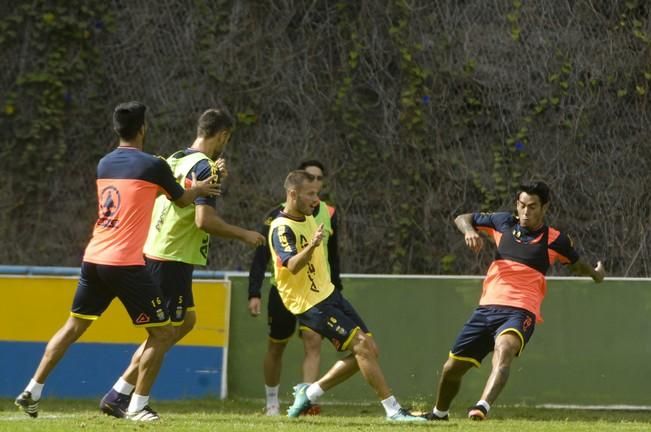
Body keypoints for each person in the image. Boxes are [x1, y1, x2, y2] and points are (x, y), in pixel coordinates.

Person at [14, 101, 220, 421]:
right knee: (163, 333)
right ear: (143, 129)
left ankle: (32, 389)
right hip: (124, 263)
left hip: (94, 257)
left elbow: (137, 197)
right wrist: (202, 188)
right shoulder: (153, 165)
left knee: (73, 326)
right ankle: (138, 406)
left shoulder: (105, 163)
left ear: (116, 130)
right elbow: (181, 201)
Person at [98, 108, 265, 418]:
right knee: (161, 334)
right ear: (222, 135)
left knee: (184, 323)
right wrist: (245, 235)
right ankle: (136, 404)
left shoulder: (177, 158)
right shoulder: (204, 168)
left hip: (162, 250)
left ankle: (117, 393)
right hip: (170, 257)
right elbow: (204, 220)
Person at [423, 181, 605, 422]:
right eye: (521, 205)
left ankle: (482, 406)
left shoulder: (555, 240)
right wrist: (469, 231)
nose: (525, 212)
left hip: (521, 310)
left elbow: (577, 264)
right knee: (451, 369)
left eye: (532, 207)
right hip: (486, 308)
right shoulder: (502, 223)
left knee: (504, 349)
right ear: (516, 205)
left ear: (544, 208)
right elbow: (462, 217)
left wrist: (595, 273)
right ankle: (439, 414)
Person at [269, 170, 424, 422]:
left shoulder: (311, 212)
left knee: (370, 350)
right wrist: (312, 245)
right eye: (310, 194)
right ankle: (394, 410)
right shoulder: (281, 227)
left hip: (328, 293)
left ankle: (310, 392)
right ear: (292, 194)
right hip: (309, 303)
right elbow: (292, 265)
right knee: (362, 346)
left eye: (317, 193)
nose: (315, 199)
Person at [247, 160, 343, 416]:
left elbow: (333, 255)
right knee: (276, 345)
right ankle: (272, 402)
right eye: (309, 178)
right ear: (296, 189)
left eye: (319, 179)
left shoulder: (329, 213)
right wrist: (254, 292)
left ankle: (307, 401)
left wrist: (337, 287)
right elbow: (261, 256)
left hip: (316, 293)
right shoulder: (276, 217)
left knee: (313, 342)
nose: (315, 183)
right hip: (285, 290)